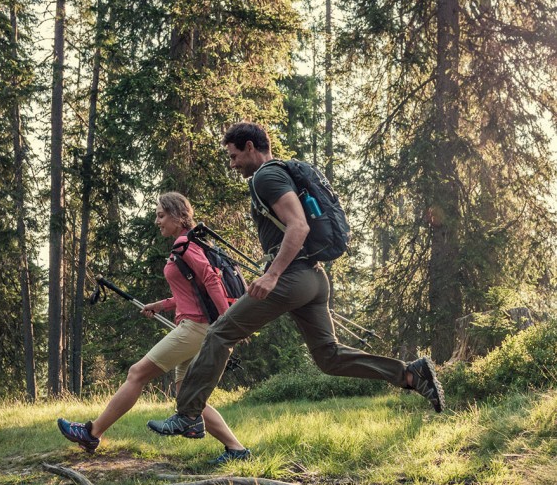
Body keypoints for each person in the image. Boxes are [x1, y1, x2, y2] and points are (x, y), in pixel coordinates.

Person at [147, 122, 444, 440]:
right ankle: (409, 374)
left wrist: (273, 274)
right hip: (312, 278)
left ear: (250, 146)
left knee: (219, 333)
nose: (232, 164)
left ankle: (189, 414)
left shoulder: (266, 176)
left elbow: (298, 226)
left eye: (234, 156)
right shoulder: (277, 174)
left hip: (292, 277)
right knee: (328, 357)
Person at [58, 191, 251, 465]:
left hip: (195, 329)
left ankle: (92, 432)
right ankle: (236, 449)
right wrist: (160, 305)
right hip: (195, 325)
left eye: (161, 215)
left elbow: (210, 280)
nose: (157, 221)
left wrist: (227, 322)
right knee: (188, 396)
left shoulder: (186, 244)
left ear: (177, 216)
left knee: (136, 373)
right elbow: (192, 292)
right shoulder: (189, 245)